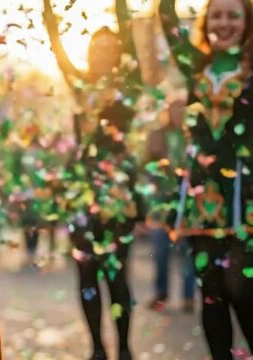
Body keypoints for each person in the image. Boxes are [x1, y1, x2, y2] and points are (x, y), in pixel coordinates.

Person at [44, 0, 143, 359]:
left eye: (110, 47)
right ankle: (98, 349)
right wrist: (48, 11)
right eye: (95, 47)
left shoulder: (128, 83)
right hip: (81, 193)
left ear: (119, 52)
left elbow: (127, 28)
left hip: (118, 192)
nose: (102, 52)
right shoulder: (80, 84)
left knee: (117, 276)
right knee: (86, 275)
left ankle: (125, 348)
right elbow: (56, 46)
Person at [159, 0, 253, 358]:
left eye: (234, 15)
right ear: (205, 21)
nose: (224, 23)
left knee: (244, 293)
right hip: (201, 204)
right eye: (217, 15)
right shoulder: (197, 67)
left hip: (246, 203)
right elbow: (166, 18)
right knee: (212, 297)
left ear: (247, 23)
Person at [144, 99, 195, 313]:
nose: (178, 114)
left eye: (181, 111)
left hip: (186, 201)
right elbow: (146, 165)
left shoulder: (192, 136)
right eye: (174, 110)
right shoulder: (157, 134)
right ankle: (161, 294)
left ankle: (188, 298)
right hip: (162, 202)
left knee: (187, 253)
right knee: (160, 251)